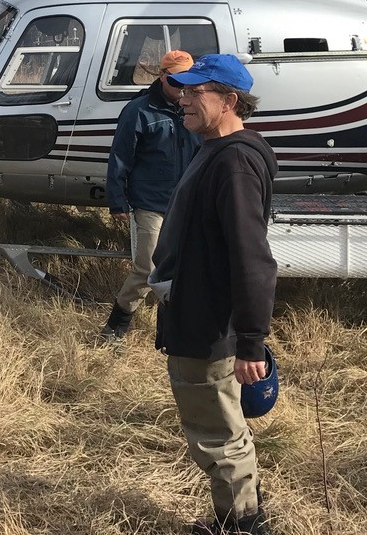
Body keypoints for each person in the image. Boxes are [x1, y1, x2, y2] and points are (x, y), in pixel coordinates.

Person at [149, 53, 277, 535]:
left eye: (195, 91)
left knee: (217, 434)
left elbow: (252, 257)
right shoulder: (215, 151)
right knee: (220, 426)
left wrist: (249, 339)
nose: (182, 98)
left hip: (208, 325)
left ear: (230, 100)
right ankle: (243, 513)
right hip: (196, 315)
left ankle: (241, 525)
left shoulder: (236, 163)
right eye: (181, 89)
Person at [101, 49, 201, 340]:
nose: (182, 87)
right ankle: (115, 328)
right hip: (150, 203)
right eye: (176, 80)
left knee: (187, 267)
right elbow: (119, 157)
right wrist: (117, 201)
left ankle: (177, 328)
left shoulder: (196, 109)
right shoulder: (138, 110)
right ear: (161, 75)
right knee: (147, 267)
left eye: (189, 82)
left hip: (185, 202)